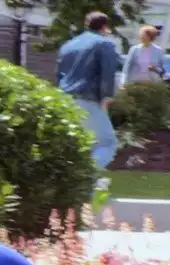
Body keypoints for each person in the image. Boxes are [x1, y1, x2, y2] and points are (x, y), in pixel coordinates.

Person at [56, 11, 119, 169]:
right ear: (104, 27)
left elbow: (60, 74)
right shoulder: (105, 44)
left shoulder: (67, 46)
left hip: (65, 99)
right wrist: (106, 97)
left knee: (81, 144)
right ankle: (86, 176)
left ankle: (80, 180)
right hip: (87, 99)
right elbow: (108, 71)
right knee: (107, 143)